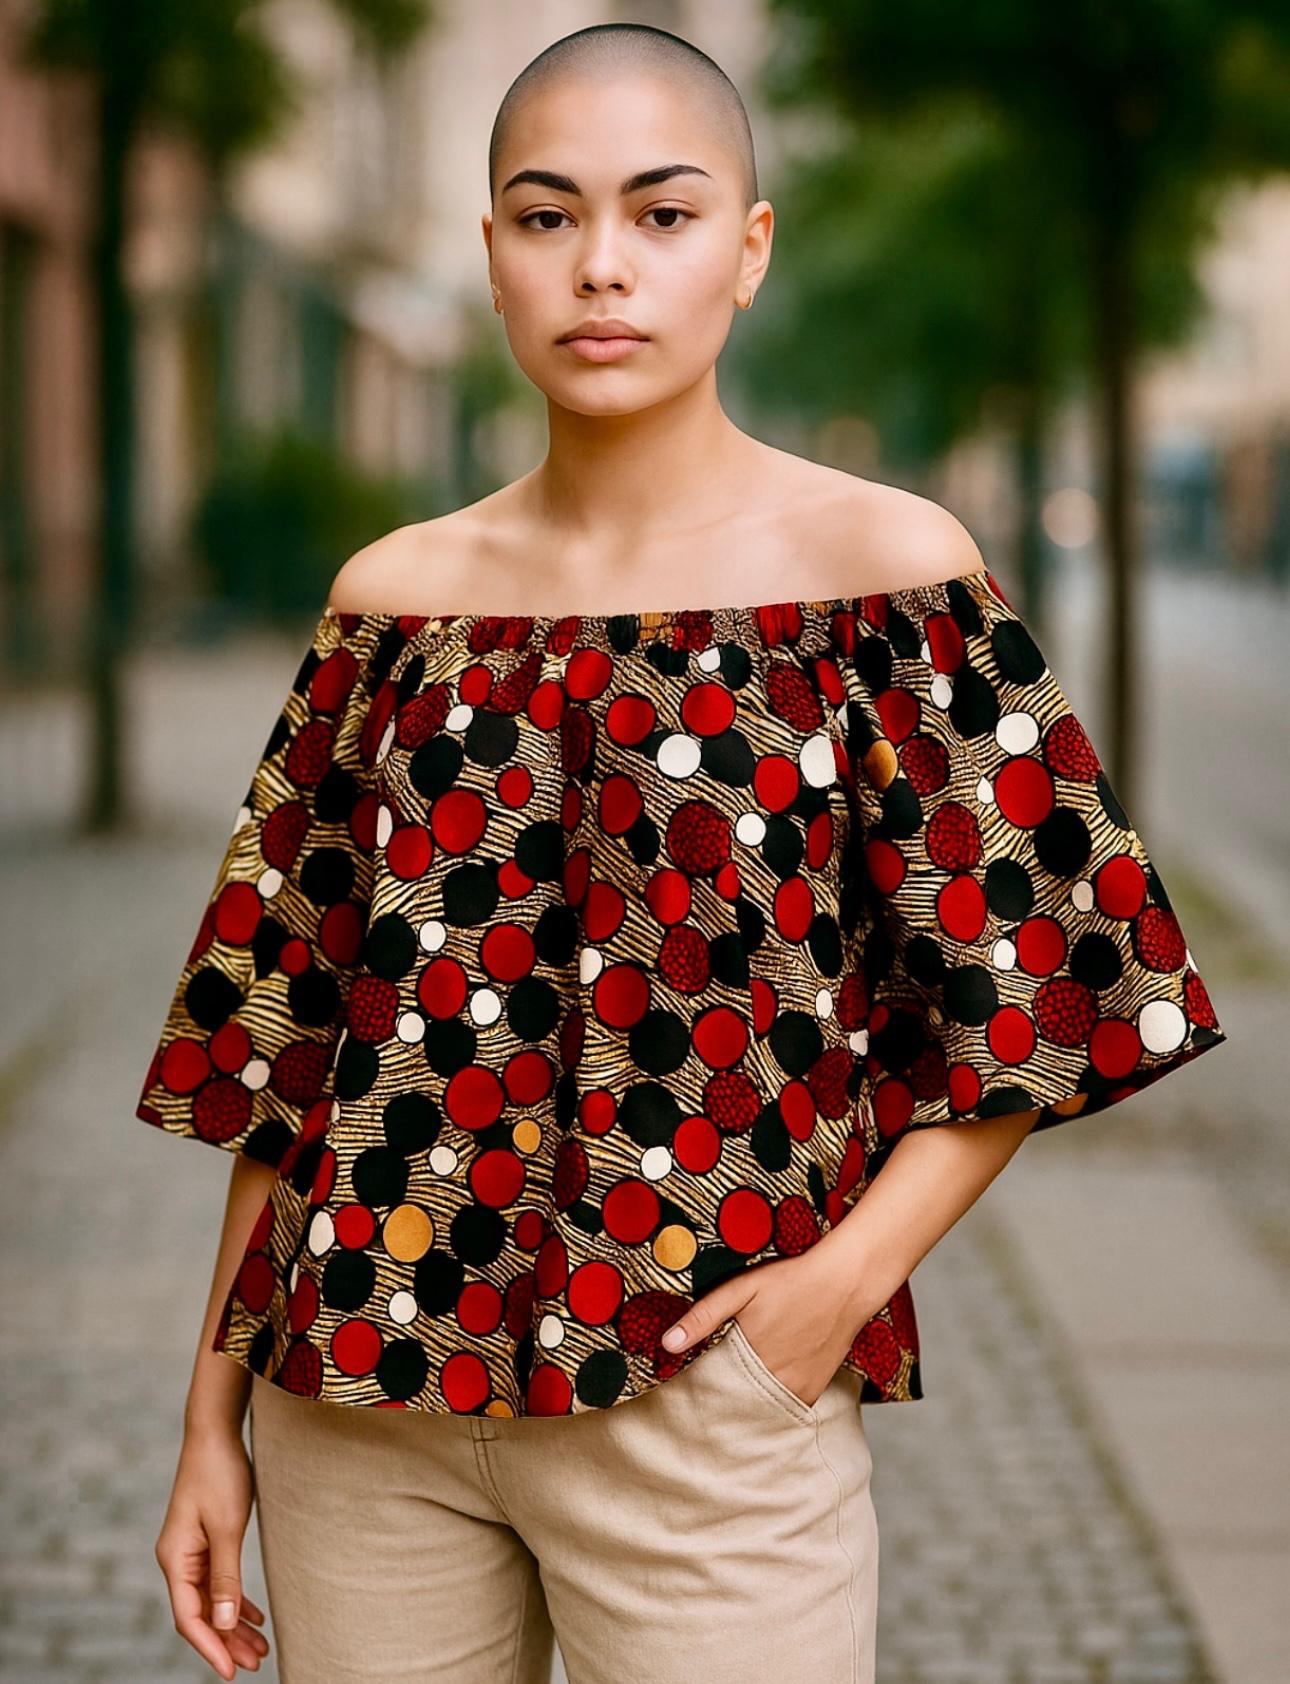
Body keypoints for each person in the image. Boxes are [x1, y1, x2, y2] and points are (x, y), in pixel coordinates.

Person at [136, 22, 1227, 1684]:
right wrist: (210, 1421)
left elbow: (1062, 984)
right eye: (544, 214)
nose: (600, 269)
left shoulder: (882, 575)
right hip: (354, 1408)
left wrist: (838, 1289)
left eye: (661, 214)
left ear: (749, 246)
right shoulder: (392, 601)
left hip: (706, 1404)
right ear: (490, 251)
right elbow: (285, 1046)